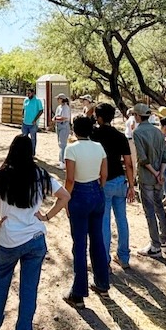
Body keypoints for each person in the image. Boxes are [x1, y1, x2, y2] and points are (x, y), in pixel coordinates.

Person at [0, 135, 70, 330]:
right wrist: (47, 216)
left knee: (0, 283)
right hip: (35, 238)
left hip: (8, 239)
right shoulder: (42, 175)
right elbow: (65, 196)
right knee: (28, 289)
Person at [62, 116, 109, 309]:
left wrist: (66, 199)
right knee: (97, 240)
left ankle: (78, 293)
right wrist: (97, 189)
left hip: (79, 194)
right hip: (96, 191)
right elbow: (104, 175)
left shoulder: (71, 149)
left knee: (79, 244)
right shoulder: (99, 147)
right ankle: (102, 284)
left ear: (75, 130)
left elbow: (70, 179)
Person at [91, 103, 135, 270]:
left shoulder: (94, 134)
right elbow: (129, 163)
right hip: (120, 180)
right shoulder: (120, 135)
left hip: (103, 181)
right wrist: (131, 185)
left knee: (104, 222)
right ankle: (123, 257)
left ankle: (104, 261)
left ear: (99, 117)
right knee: (122, 219)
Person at [132, 103, 166, 258]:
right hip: (160, 177)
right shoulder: (158, 132)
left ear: (138, 116)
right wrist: (160, 173)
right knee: (159, 206)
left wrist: (154, 173)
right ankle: (164, 240)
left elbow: (142, 158)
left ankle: (155, 245)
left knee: (149, 210)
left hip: (148, 177)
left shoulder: (137, 132)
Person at [21, 88, 44, 156]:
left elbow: (41, 111)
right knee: (24, 138)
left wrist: (35, 120)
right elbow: (23, 109)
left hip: (33, 124)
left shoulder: (37, 101)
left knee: (33, 139)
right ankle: (25, 152)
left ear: (33, 93)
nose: (28, 95)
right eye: (27, 93)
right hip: (25, 122)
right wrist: (22, 117)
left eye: (29, 93)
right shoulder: (26, 100)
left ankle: (32, 153)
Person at [53, 93, 71, 169]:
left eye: (59, 98)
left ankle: (63, 162)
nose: (57, 100)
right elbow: (56, 115)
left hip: (64, 126)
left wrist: (55, 119)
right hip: (58, 125)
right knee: (60, 144)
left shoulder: (66, 108)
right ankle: (60, 160)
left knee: (62, 144)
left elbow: (65, 118)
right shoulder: (59, 107)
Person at [124, 108, 138, 180]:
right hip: (129, 140)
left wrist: (133, 135)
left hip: (130, 140)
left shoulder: (132, 118)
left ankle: (133, 177)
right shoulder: (132, 118)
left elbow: (132, 126)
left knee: (133, 159)